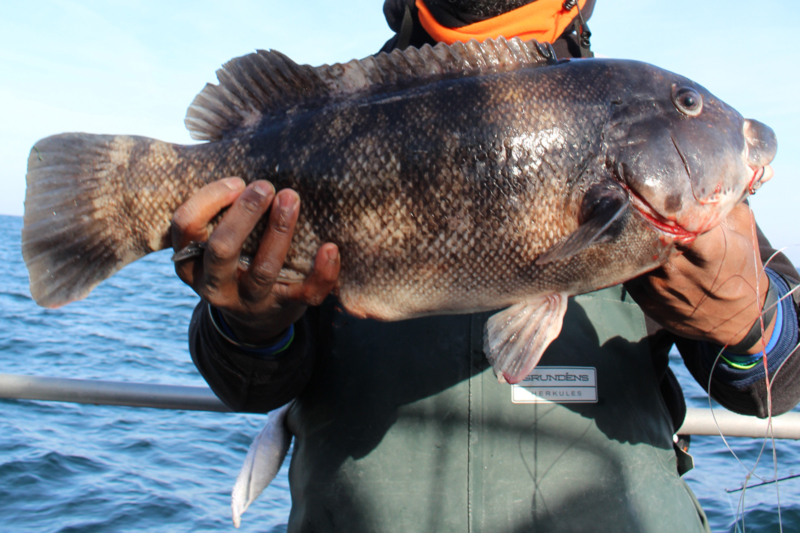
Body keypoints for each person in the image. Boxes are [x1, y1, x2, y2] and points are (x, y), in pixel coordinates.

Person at [172, 1, 800, 531]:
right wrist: (250, 325)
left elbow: (783, 369)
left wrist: (746, 323)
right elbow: (247, 385)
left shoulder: (646, 125)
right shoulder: (337, 116)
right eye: (689, 103)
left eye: (687, 104)